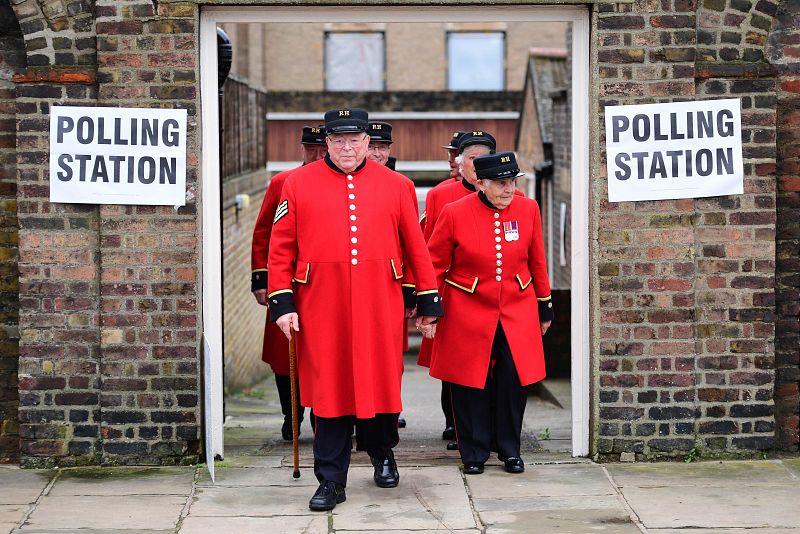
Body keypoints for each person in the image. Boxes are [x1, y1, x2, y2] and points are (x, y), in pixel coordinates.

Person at [267, 108, 443, 512]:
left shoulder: (397, 185)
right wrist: (282, 301)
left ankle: (383, 453)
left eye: (355, 139)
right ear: (326, 143)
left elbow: (416, 246)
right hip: (319, 305)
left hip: (379, 302)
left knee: (380, 383)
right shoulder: (296, 184)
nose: (347, 147)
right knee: (328, 390)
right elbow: (281, 249)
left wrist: (428, 298)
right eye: (338, 140)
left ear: (368, 142)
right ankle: (331, 479)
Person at [425, 151, 553, 475]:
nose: (509, 189)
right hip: (467, 307)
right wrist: (429, 308)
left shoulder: (528, 209)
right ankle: (474, 451)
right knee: (470, 382)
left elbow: (537, 260)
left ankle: (510, 449)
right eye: (501, 183)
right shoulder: (454, 213)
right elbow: (435, 263)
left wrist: (544, 304)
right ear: (480, 183)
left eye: (512, 182)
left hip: (517, 308)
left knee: (513, 379)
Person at [416, 130, 498, 446]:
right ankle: (456, 424)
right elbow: (430, 249)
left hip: (492, 293)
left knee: (492, 366)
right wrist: (427, 296)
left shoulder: (509, 195)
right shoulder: (440, 195)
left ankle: (488, 427)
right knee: (454, 365)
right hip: (454, 292)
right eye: (467, 158)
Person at [251, 124, 326, 441]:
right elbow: (264, 230)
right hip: (287, 280)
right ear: (302, 149)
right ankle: (291, 414)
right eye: (312, 149)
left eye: (323, 149)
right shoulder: (283, 181)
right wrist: (261, 278)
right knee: (285, 355)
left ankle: (325, 418)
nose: (318, 155)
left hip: (322, 283)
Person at [366, 120, 410, 429]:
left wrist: (413, 292)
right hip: (340, 291)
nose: (378, 153)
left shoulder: (399, 185)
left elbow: (411, 245)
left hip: (386, 290)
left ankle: (381, 434)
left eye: (383, 147)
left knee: (387, 365)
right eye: (373, 146)